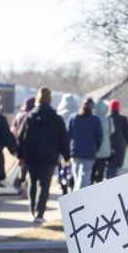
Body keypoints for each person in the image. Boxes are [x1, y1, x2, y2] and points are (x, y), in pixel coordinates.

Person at [16, 86, 70, 224]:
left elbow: (21, 137)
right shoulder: (56, 118)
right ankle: (40, 213)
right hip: (50, 156)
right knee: (44, 186)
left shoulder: (29, 117)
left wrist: (21, 156)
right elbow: (63, 138)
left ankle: (32, 211)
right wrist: (66, 155)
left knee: (32, 183)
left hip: (32, 156)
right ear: (49, 99)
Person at [67, 97, 102, 189]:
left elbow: (68, 135)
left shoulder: (73, 118)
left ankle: (76, 195)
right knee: (84, 177)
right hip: (89, 153)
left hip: (75, 153)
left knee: (77, 176)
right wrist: (95, 149)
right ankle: (78, 196)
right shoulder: (95, 120)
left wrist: (67, 150)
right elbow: (100, 138)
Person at [11, 94, 37, 191]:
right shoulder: (34, 115)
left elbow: (13, 129)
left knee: (22, 166)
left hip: (19, 145)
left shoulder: (19, 115)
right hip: (33, 146)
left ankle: (21, 182)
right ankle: (28, 185)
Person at [105, 98, 128, 179]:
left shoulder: (107, 118)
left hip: (108, 148)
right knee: (114, 171)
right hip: (120, 148)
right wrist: (124, 143)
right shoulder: (123, 119)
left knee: (107, 170)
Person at [90, 97, 115, 184]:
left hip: (93, 149)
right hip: (105, 150)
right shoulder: (109, 120)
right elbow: (112, 131)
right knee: (100, 173)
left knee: (91, 172)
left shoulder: (92, 118)